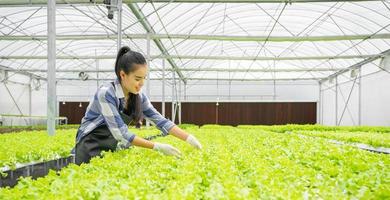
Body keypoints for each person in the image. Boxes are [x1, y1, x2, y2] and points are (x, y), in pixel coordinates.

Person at [74, 46, 202, 165]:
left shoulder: (138, 96)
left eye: (144, 78)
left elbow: (160, 121)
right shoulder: (106, 93)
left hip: (110, 147)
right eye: (137, 79)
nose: (141, 83)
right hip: (88, 146)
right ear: (123, 75)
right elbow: (120, 133)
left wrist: (189, 138)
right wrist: (156, 146)